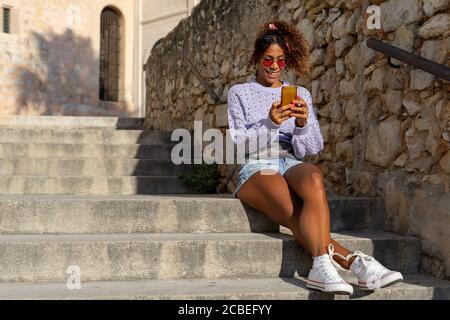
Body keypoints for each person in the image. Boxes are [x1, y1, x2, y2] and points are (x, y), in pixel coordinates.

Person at [227, 20, 403, 295]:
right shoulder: (239, 93)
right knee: (297, 213)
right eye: (268, 60)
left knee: (313, 176)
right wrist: (271, 122)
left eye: (281, 61)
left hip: (290, 161)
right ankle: (355, 262)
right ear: (256, 59)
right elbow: (239, 142)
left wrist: (302, 123)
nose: (274, 67)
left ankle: (321, 266)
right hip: (257, 165)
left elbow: (312, 148)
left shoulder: (301, 94)